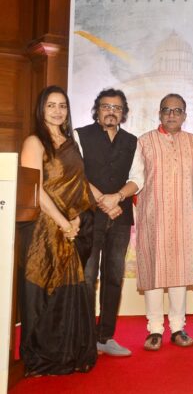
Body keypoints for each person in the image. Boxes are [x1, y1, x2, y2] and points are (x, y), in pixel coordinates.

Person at [19, 85, 97, 375]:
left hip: (71, 229)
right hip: (44, 229)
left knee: (70, 290)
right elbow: (36, 188)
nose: (57, 111)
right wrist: (63, 222)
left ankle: (67, 354)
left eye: (62, 105)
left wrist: (76, 220)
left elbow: (80, 185)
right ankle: (41, 356)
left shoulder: (71, 143)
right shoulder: (34, 142)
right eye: (51, 105)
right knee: (42, 289)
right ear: (41, 109)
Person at [131, 93, 193, 351]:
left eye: (177, 110)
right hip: (153, 216)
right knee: (154, 272)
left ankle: (177, 328)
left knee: (179, 273)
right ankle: (154, 329)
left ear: (185, 115)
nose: (172, 115)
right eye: (167, 110)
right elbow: (136, 179)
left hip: (184, 219)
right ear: (159, 113)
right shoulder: (144, 142)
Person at [73, 88, 137, 357]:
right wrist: (103, 200)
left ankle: (105, 337)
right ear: (97, 110)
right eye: (106, 106)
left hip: (120, 218)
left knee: (113, 276)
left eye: (117, 108)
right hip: (89, 216)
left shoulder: (132, 141)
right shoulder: (79, 135)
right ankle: (86, 338)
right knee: (87, 277)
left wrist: (117, 197)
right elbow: (76, 173)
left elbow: (138, 178)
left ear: (123, 113)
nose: (111, 111)